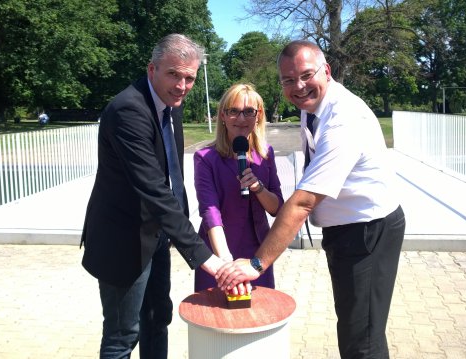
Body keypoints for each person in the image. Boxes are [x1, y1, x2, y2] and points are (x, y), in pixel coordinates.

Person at [215, 40, 406, 358]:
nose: (299, 87)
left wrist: (257, 263)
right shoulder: (313, 108)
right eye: (288, 80)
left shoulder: (344, 120)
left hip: (367, 232)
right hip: (345, 232)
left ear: (326, 71)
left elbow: (303, 202)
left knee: (362, 340)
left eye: (306, 75)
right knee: (354, 326)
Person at [80, 34, 234, 359]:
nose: (182, 85)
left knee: (157, 318)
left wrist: (182, 233)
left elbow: (173, 179)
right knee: (123, 337)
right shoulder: (128, 110)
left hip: (156, 235)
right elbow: (153, 188)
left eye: (189, 78)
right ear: (153, 68)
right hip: (122, 240)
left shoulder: (171, 106)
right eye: (173, 74)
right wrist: (205, 256)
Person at [193, 83, 284, 292]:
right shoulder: (205, 158)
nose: (241, 119)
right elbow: (209, 211)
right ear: (222, 116)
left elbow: (277, 208)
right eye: (233, 111)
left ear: (258, 116)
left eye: (249, 112)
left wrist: (257, 187)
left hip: (258, 254)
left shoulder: (265, 153)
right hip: (219, 251)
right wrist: (225, 261)